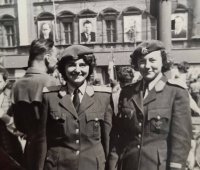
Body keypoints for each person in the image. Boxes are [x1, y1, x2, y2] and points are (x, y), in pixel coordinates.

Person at [108, 40, 192, 170]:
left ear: (163, 61)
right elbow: (119, 135)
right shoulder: (127, 92)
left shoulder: (176, 92)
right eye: (142, 61)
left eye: (152, 60)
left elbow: (180, 141)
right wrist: (113, 165)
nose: (147, 66)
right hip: (128, 164)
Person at [42, 45, 113, 170]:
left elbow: (107, 140)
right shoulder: (50, 97)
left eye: (82, 65)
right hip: (58, 166)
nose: (77, 70)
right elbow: (42, 139)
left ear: (89, 68)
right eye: (71, 65)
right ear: (63, 68)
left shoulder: (103, 97)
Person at [11, 38, 60, 170]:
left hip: (30, 151)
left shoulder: (16, 85)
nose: (57, 60)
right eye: (56, 56)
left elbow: (18, 125)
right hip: (51, 154)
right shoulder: (52, 83)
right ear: (48, 57)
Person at [0, 67, 23, 165]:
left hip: (10, 152)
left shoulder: (12, 100)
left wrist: (2, 114)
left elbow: (20, 129)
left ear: (5, 83)